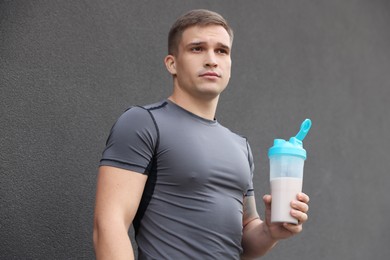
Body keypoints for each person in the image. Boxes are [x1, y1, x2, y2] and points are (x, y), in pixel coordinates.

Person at [93, 9, 309, 260]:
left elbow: (245, 240)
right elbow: (109, 224)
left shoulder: (240, 146)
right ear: (172, 63)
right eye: (197, 48)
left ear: (230, 65)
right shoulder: (142, 122)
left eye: (221, 51)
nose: (211, 60)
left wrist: (271, 231)